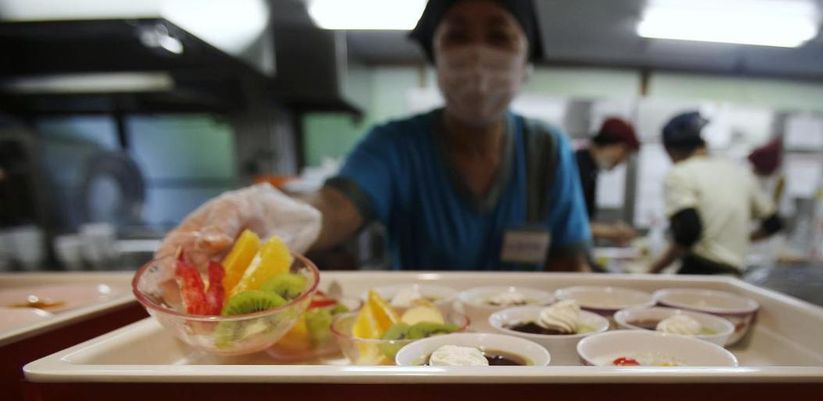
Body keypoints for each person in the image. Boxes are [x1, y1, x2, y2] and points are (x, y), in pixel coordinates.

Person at [158, 0, 591, 272]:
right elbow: (336, 207)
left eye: (499, 37)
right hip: (423, 348)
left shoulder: (546, 150)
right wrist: (276, 215)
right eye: (457, 37)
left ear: (526, 62)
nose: (477, 58)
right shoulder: (397, 145)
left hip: (523, 348)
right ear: (434, 59)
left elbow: (569, 265)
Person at [648, 112, 782, 275]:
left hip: (700, 272)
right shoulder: (739, 172)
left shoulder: (679, 173)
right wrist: (738, 240)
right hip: (733, 274)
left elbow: (688, 233)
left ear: (670, 150)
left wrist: (654, 270)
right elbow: (774, 224)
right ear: (704, 145)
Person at [574, 117, 639, 245]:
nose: (622, 161)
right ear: (612, 145)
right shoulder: (578, 167)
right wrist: (608, 232)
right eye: (624, 153)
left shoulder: (590, 168)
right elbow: (565, 222)